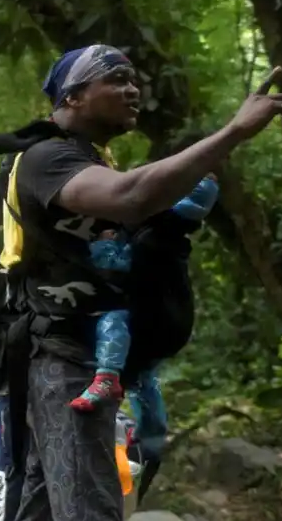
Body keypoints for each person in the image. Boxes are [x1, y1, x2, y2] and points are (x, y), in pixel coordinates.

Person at [0, 45, 282, 521]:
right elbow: (129, 198)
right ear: (70, 96)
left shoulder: (85, 158)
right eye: (115, 78)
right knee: (90, 511)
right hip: (64, 361)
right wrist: (233, 133)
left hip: (68, 358)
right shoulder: (48, 159)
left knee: (46, 503)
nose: (134, 88)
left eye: (137, 77)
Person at [71, 176, 220, 412]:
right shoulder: (172, 239)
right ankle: (150, 428)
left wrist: (102, 245)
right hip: (173, 325)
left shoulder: (151, 240)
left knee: (112, 320)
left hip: (150, 324)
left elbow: (115, 271)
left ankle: (107, 379)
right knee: (143, 377)